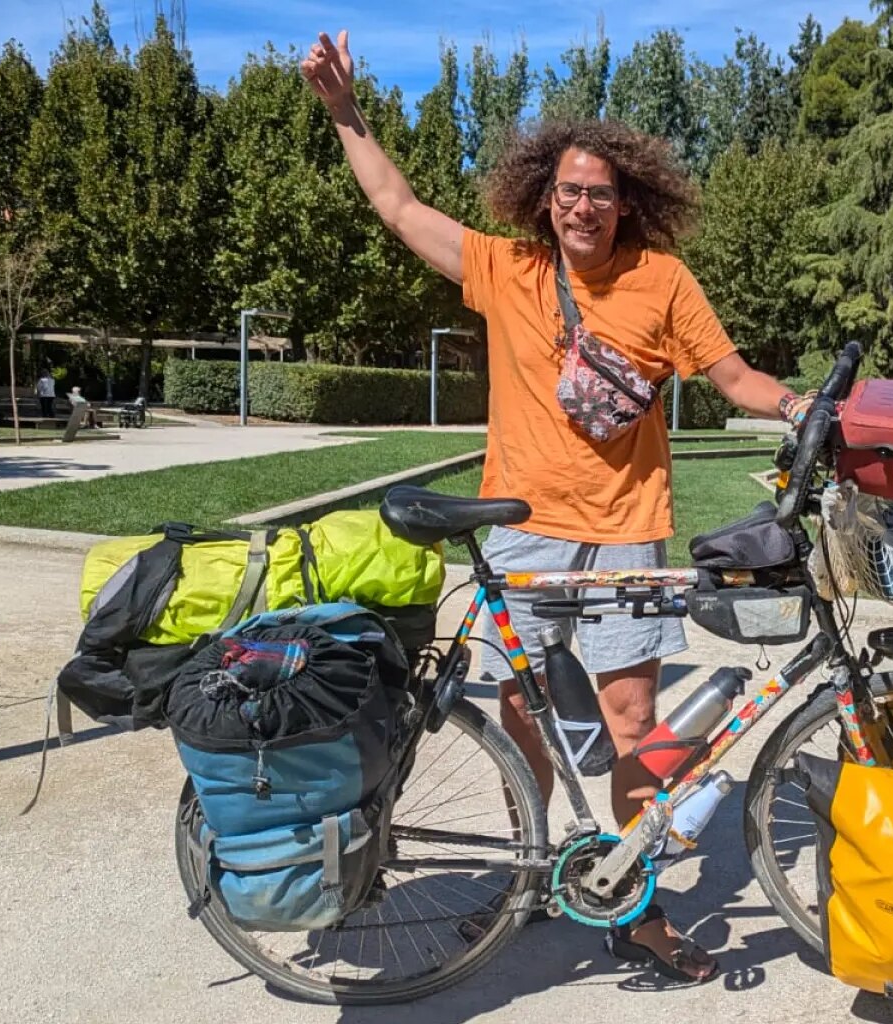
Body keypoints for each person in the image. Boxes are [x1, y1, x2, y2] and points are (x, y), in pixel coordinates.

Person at [303, 30, 812, 984]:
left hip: (626, 531)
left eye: (602, 193)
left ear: (630, 204)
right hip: (523, 534)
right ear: (546, 197)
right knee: (521, 724)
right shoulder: (510, 269)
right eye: (570, 191)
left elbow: (733, 374)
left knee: (633, 732)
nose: (584, 205)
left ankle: (639, 906)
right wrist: (344, 110)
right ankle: (529, 881)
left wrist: (799, 405)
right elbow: (396, 203)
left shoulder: (661, 280)